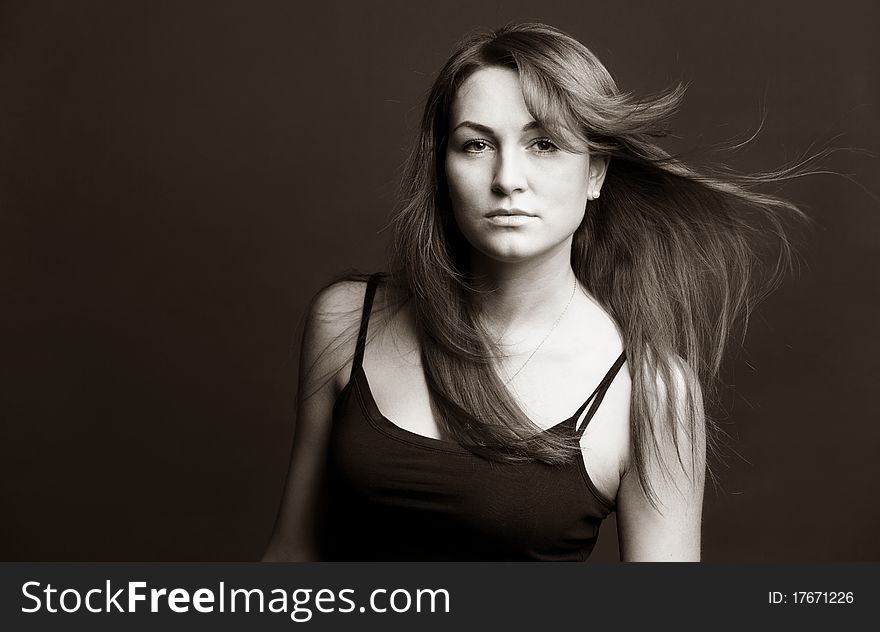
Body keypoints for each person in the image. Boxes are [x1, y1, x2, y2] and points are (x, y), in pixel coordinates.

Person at [262, 22, 806, 561]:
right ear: (441, 168)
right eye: (475, 144)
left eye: (543, 144)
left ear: (594, 172)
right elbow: (292, 556)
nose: (507, 178)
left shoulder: (650, 392)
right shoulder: (348, 320)